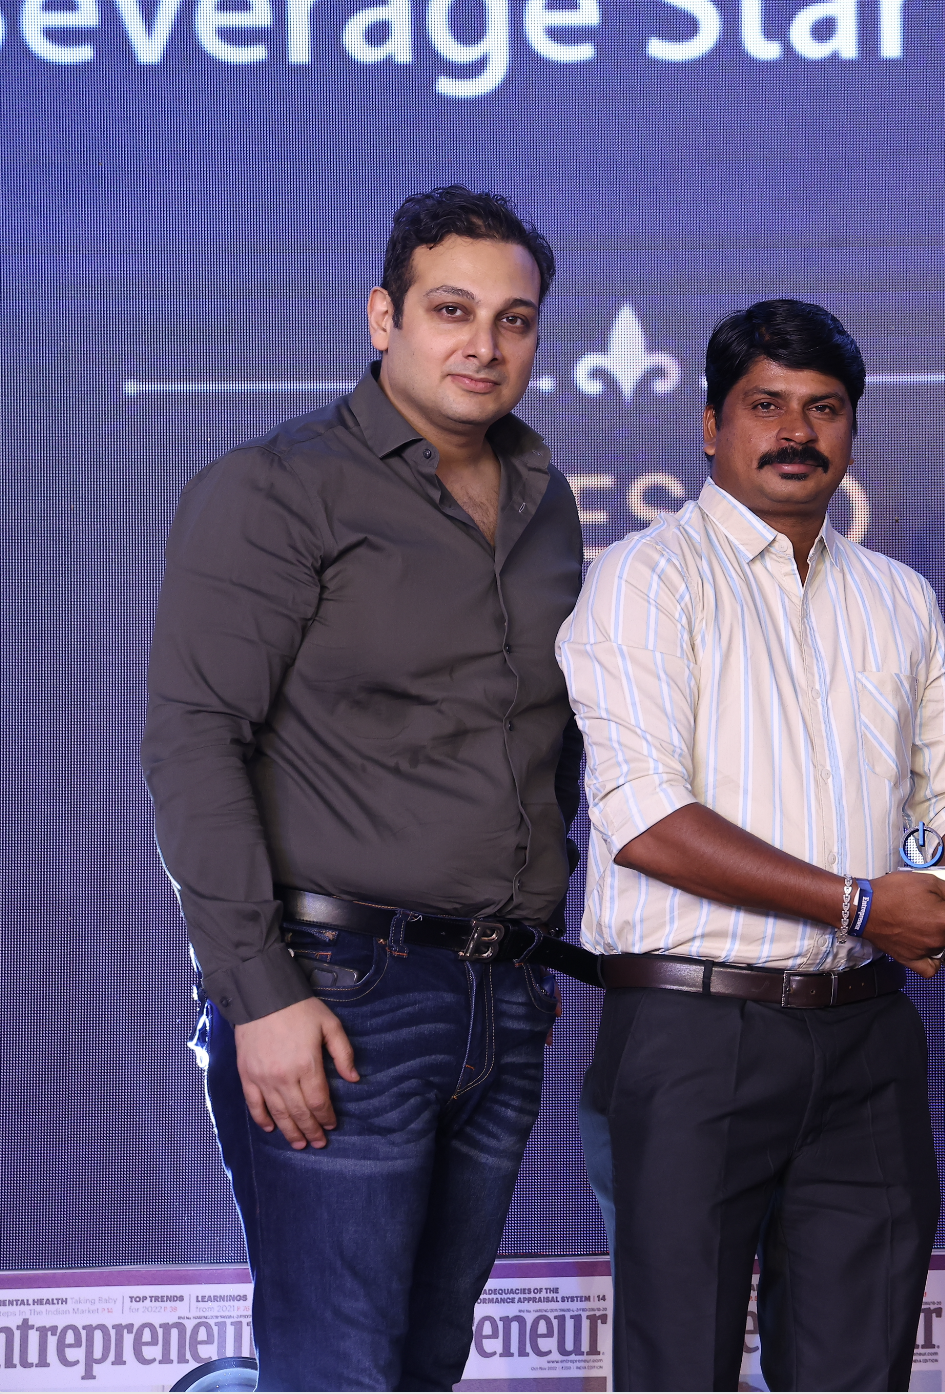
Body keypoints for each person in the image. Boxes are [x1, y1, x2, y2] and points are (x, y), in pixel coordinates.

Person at [557, 298, 945, 1392]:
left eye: (824, 408)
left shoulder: (898, 598)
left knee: (857, 1372)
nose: (796, 431)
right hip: (692, 1035)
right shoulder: (644, 577)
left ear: (850, 429)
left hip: (865, 1041)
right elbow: (644, 819)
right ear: (711, 425)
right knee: (678, 1371)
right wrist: (862, 904)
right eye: (767, 405)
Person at [141, 187, 593, 1390]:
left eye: (513, 319)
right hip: (335, 989)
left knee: (423, 1364)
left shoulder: (546, 502)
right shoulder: (276, 486)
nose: (483, 344)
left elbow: (544, 744)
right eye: (451, 310)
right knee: (338, 1370)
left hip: (499, 993)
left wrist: (526, 944)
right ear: (383, 315)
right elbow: (192, 742)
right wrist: (259, 995)